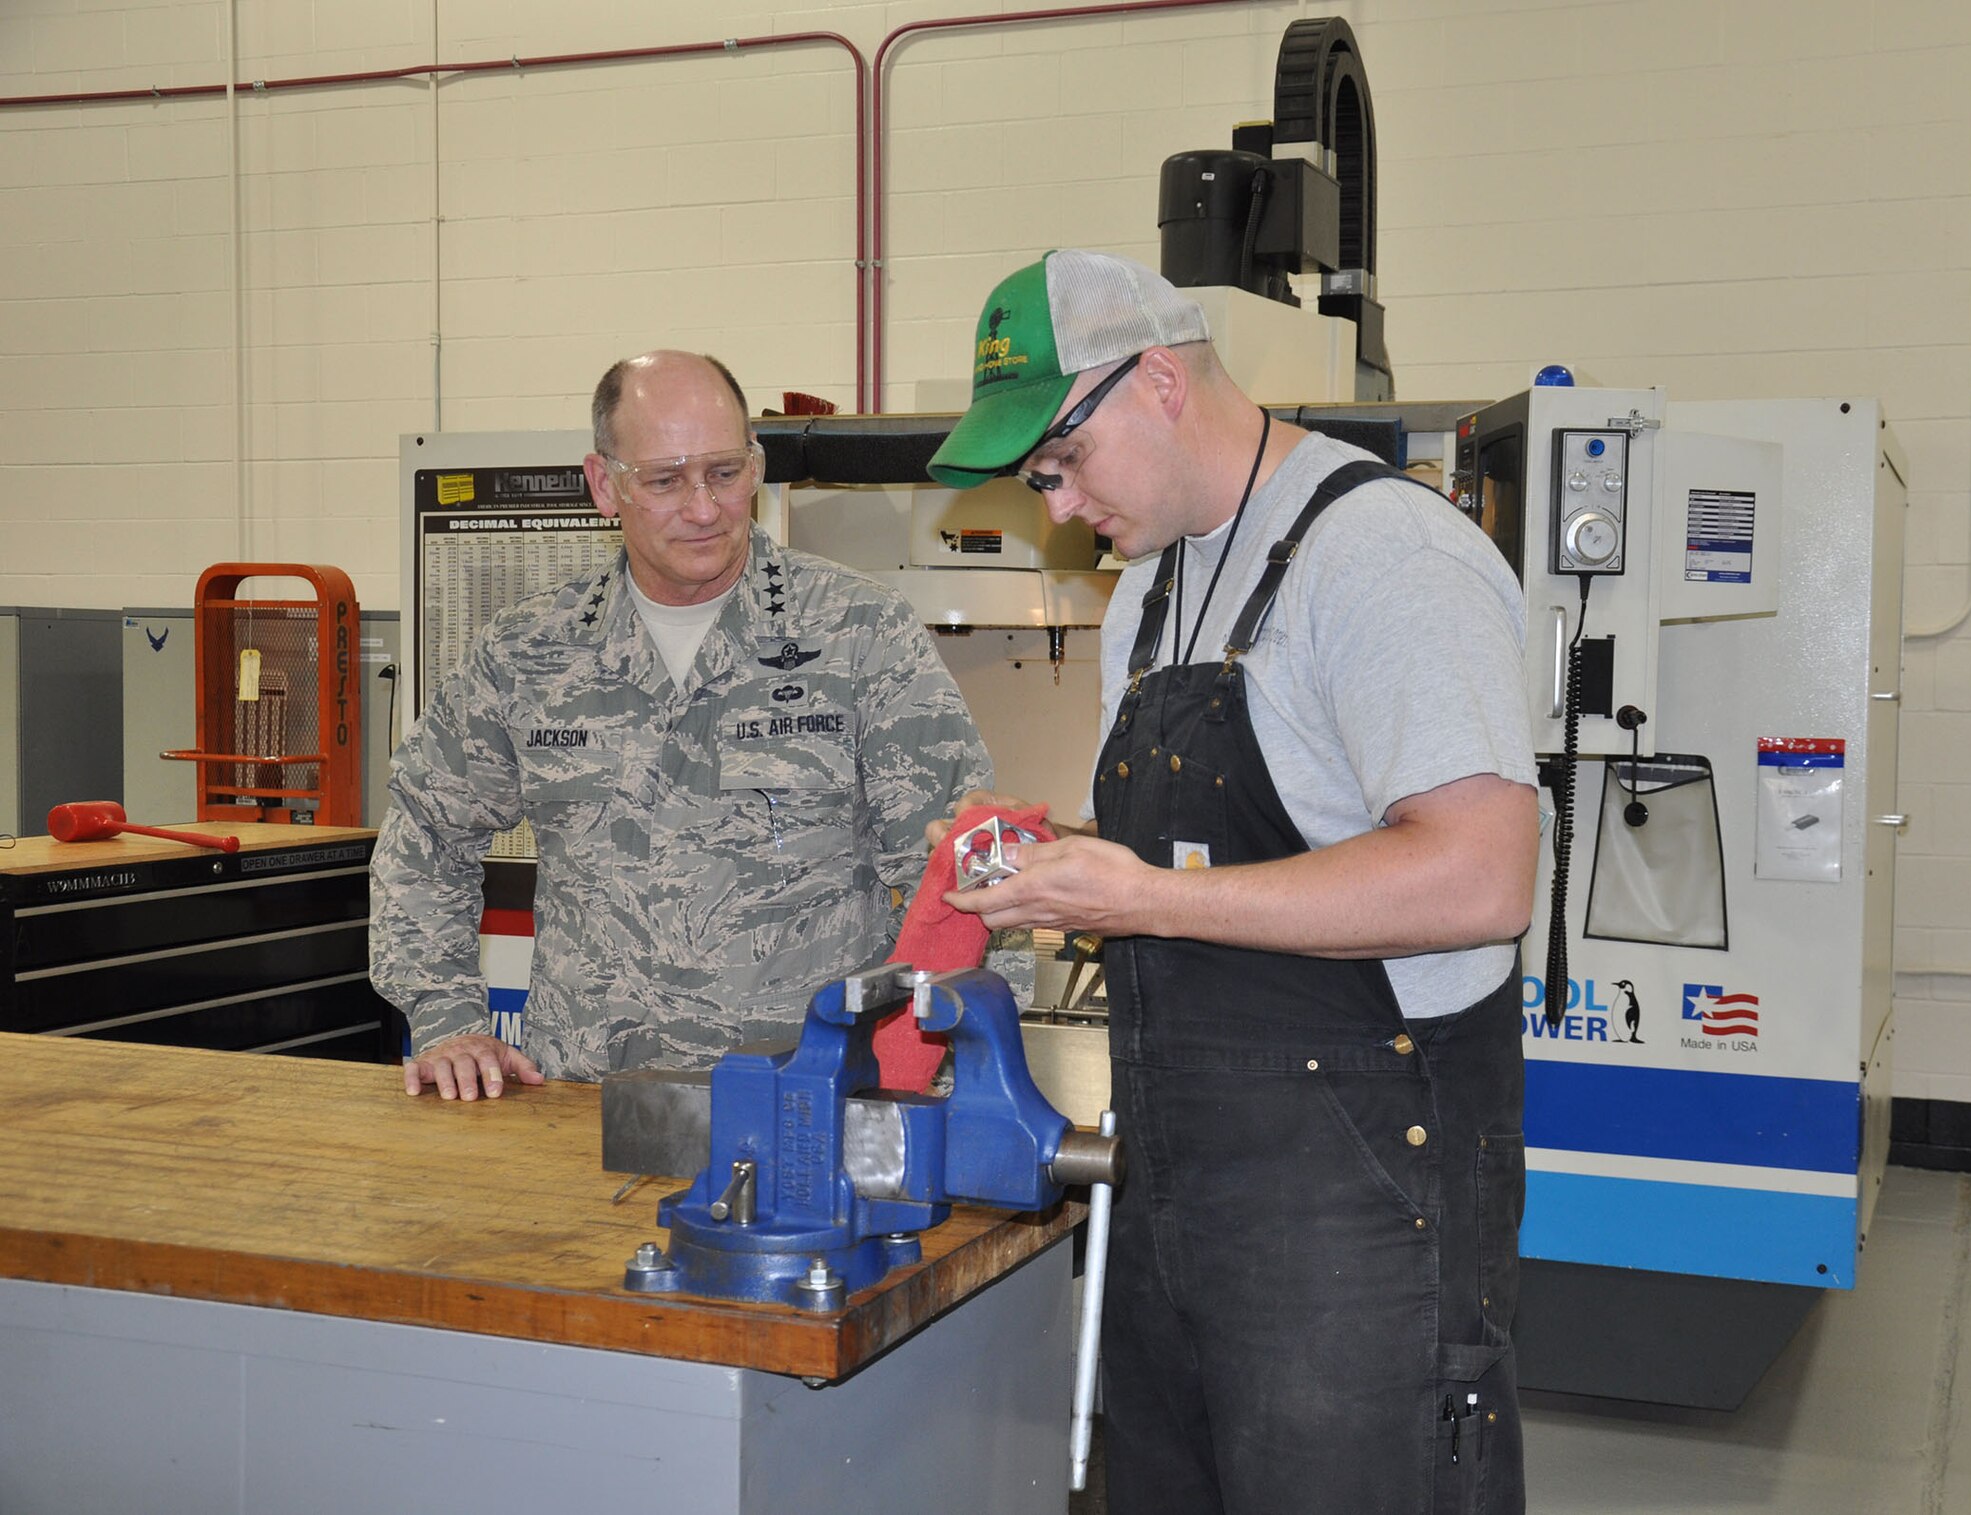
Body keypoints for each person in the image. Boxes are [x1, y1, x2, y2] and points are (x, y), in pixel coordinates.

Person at [926, 251, 1538, 1513]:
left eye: (1058, 464)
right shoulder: (1152, 581)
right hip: (1183, 1184)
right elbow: (1228, 840)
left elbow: (1479, 878)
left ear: (1154, 380)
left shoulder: (1382, 555)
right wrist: (1058, 862)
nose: (1053, 505)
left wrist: (1135, 897)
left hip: (1363, 1191)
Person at [372, 350, 993, 1100]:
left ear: (756, 467)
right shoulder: (531, 655)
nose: (703, 508)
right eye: (665, 480)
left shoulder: (860, 634)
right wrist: (445, 1017)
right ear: (605, 484)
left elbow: (964, 872)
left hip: (803, 1111)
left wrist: (955, 1070)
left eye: (725, 473)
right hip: (582, 1110)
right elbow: (425, 830)